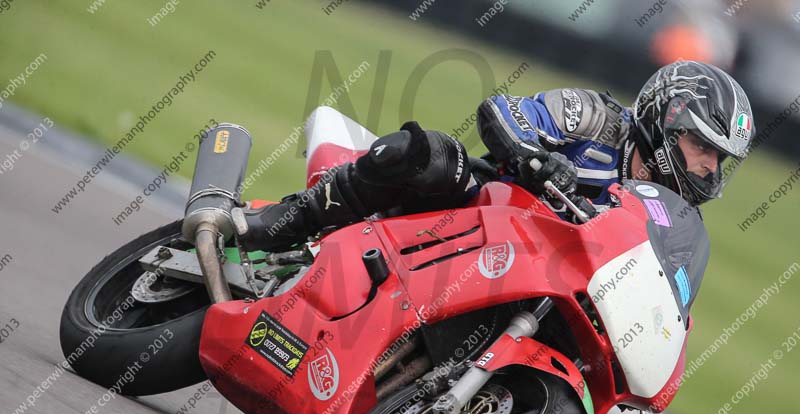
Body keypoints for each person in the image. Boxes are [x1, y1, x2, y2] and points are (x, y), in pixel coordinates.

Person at [235, 60, 754, 252]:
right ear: (666, 119)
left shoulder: (667, 215)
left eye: (718, 158)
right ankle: (293, 218)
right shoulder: (596, 116)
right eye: (702, 147)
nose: (708, 167)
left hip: (537, 272)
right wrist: (537, 158)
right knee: (426, 153)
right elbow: (505, 111)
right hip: (477, 207)